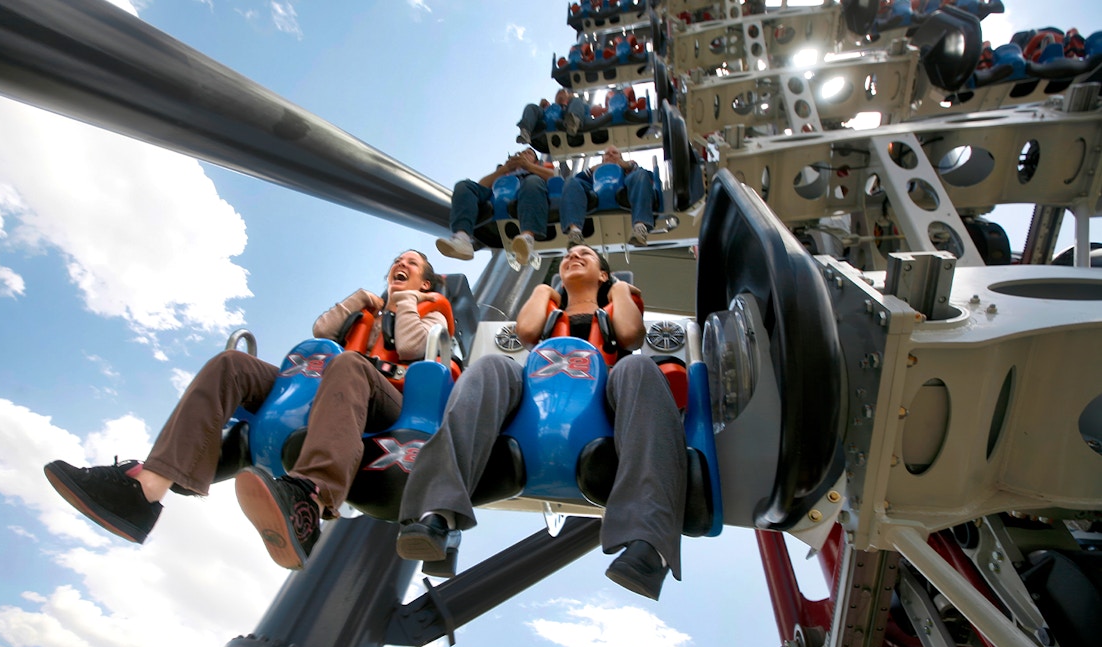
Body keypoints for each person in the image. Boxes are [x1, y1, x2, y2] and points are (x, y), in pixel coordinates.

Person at [45, 250, 448, 570]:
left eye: (410, 263)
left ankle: (312, 497)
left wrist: (407, 301)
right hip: (326, 387)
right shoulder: (368, 312)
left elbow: (414, 347)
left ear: (424, 280)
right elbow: (323, 331)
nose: (400, 264)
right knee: (232, 365)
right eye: (396, 260)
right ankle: (146, 489)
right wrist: (361, 300)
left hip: (391, 401)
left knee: (348, 365)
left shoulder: (432, 307)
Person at [396, 245, 689, 600]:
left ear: (603, 274)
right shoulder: (549, 308)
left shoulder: (616, 300)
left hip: (604, 394)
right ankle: (436, 514)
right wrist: (542, 290)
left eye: (585, 254)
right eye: (567, 255)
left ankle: (649, 546)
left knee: (639, 366)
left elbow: (629, 335)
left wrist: (621, 290)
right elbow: (527, 332)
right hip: (540, 393)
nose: (573, 256)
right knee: (491, 366)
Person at [435, 149, 557, 270]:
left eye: (529, 153)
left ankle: (528, 237)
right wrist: (505, 169)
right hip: (496, 205)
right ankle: (462, 238)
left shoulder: (539, 168)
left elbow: (554, 178)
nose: (524, 154)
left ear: (536, 160)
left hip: (529, 198)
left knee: (532, 181)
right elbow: (481, 185)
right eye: (521, 153)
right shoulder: (503, 173)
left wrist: (528, 166)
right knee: (464, 185)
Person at [560, 145, 655, 248]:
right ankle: (575, 232)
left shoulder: (631, 172)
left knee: (641, 174)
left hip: (623, 190)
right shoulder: (593, 174)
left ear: (621, 157)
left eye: (614, 153)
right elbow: (574, 184)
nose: (610, 155)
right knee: (570, 181)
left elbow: (647, 178)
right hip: (595, 192)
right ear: (603, 158)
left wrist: (629, 166)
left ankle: (640, 228)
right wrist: (591, 170)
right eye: (607, 153)